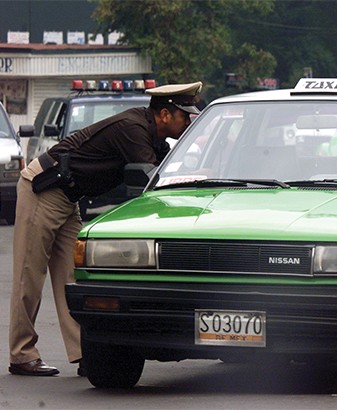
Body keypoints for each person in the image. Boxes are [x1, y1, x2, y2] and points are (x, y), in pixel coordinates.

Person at [8, 81, 202, 377]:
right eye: (185, 116)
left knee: (76, 278)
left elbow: (169, 173)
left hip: (68, 196)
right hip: (43, 189)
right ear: (165, 114)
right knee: (29, 275)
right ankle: (22, 355)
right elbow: (155, 183)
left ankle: (85, 354)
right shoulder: (133, 128)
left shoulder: (154, 138)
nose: (189, 121)